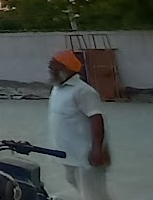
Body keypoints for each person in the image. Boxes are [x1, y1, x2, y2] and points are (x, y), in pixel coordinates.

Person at [48, 50, 111, 200]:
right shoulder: (57, 88)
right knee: (76, 183)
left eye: (53, 68)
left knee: (93, 194)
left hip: (85, 154)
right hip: (67, 153)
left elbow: (96, 118)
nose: (50, 71)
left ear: (66, 69)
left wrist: (97, 149)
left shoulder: (83, 91)